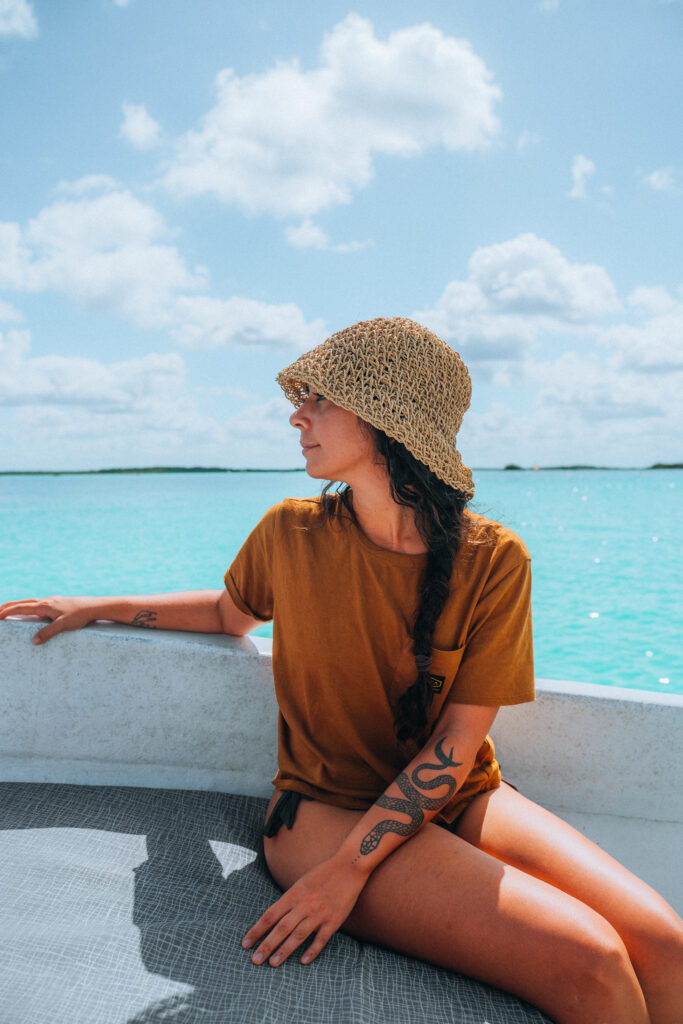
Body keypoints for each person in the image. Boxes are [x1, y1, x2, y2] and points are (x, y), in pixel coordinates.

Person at [1, 317, 681, 1024]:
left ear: (388, 420)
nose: (297, 415)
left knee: (666, 947)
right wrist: (98, 606)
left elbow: (454, 743)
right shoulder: (289, 533)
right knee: (591, 964)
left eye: (321, 399)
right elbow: (230, 614)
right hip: (322, 810)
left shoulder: (494, 558)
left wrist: (353, 872)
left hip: (458, 793)